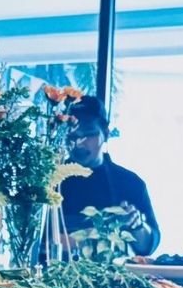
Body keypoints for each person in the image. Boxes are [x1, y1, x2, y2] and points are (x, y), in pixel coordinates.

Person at [60, 96, 160, 256]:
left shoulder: (130, 182)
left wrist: (137, 225)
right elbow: (37, 241)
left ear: (105, 133)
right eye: (72, 136)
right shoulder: (49, 182)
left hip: (113, 277)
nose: (79, 142)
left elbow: (148, 246)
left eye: (89, 134)